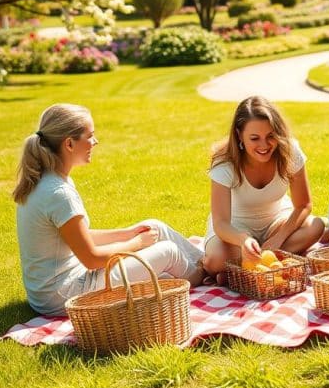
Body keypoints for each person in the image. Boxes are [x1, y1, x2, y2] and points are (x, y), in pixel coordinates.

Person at [13, 104, 204, 317]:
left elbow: (77, 236)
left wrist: (128, 233)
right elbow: (92, 259)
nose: (95, 141)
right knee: (169, 252)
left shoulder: (50, 179)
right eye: (90, 136)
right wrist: (136, 243)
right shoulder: (58, 193)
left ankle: (208, 261)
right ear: (69, 143)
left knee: (153, 226)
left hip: (56, 289)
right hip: (64, 295)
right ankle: (205, 276)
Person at [202, 96, 324, 277]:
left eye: (270, 136)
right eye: (254, 138)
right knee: (215, 260)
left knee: (317, 226)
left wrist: (278, 238)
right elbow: (221, 223)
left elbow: (303, 205)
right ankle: (256, 263)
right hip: (235, 228)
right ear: (239, 135)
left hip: (277, 221)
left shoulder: (290, 152)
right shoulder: (224, 163)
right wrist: (243, 240)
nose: (264, 145)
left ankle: (239, 272)